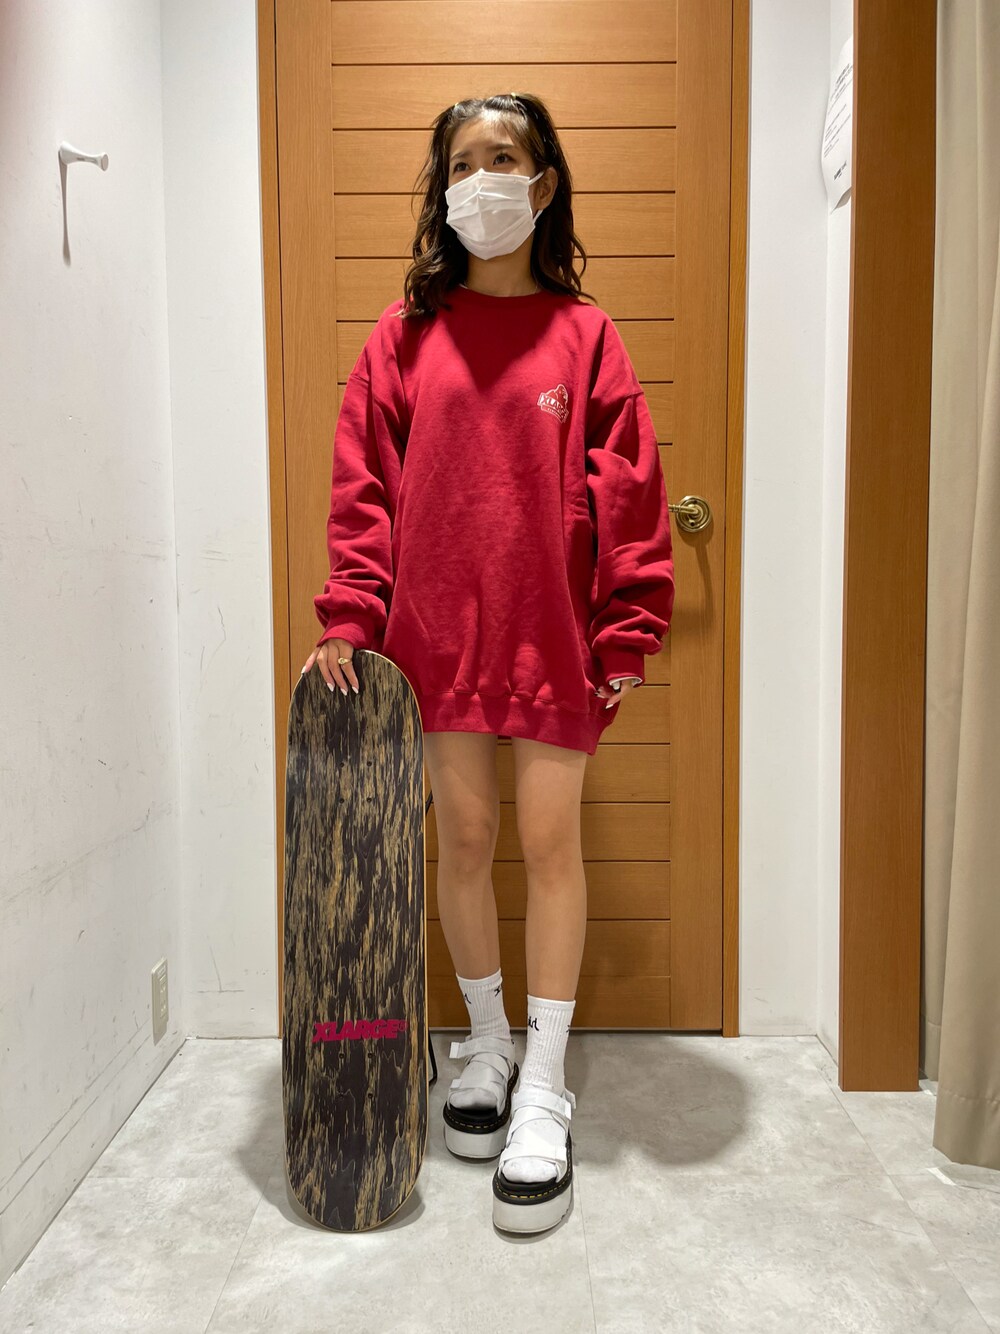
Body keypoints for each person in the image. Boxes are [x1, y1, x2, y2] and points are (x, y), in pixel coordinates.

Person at [300, 92, 675, 1234]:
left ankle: (546, 1083)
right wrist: (351, 616)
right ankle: (488, 1042)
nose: (481, 180)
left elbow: (632, 488)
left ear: (542, 183)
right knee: (461, 842)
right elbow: (363, 489)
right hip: (434, 638)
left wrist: (627, 624)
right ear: (442, 188)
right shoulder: (401, 337)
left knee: (551, 845)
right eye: (461, 163)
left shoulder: (587, 336)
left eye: (502, 158)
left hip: (551, 637)